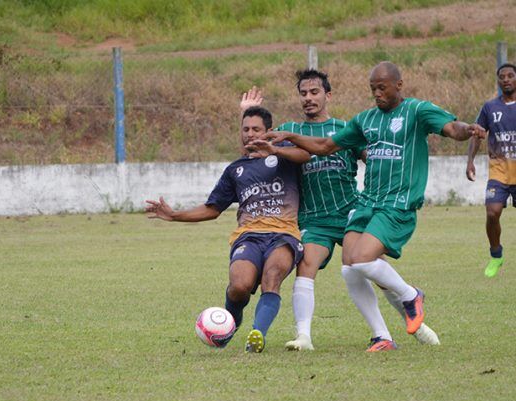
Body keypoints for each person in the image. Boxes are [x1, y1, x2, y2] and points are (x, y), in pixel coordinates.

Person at [251, 62, 486, 351]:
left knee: (362, 261)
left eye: (382, 87)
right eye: (372, 88)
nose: (377, 93)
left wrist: (468, 130)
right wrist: (285, 139)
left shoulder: (415, 111)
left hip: (389, 204)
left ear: (398, 85)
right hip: (360, 206)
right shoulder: (365, 121)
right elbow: (323, 146)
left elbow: (452, 127)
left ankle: (411, 296)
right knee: (351, 269)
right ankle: (381, 337)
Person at [146, 106, 310, 353]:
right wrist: (175, 215)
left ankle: (257, 334)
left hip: (284, 234)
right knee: (239, 286)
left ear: (269, 132)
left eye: (256, 129)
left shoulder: (285, 157)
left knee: (272, 277)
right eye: (245, 129)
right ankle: (226, 328)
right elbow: (213, 209)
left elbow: (306, 154)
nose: (249, 134)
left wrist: (275, 148)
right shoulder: (236, 170)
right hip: (249, 236)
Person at [466, 62, 516, 278]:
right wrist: (470, 161)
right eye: (502, 76)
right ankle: (496, 255)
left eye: (510, 75)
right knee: (492, 212)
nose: (506, 79)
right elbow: (477, 135)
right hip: (499, 172)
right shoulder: (490, 108)